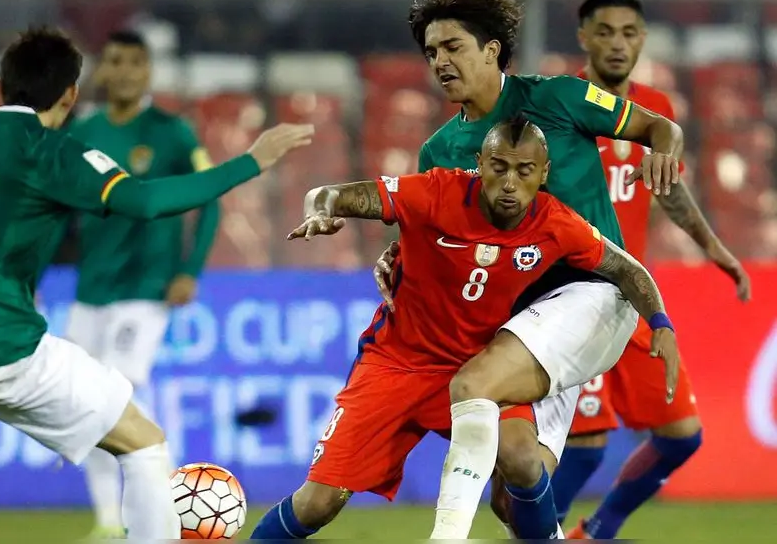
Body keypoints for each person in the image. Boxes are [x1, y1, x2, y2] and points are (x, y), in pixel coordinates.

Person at [0, 26, 314, 540]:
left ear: (3, 84)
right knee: (143, 443)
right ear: (70, 94)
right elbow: (146, 203)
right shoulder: (49, 151)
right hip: (1, 349)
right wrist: (251, 161)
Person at [250, 115, 679, 540]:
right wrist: (320, 211)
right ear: (480, 163)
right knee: (318, 503)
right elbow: (329, 195)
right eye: (499, 167)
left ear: (543, 174)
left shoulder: (555, 223)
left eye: (524, 171)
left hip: (477, 369)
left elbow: (626, 269)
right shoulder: (437, 192)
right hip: (396, 364)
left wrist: (661, 323)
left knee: (523, 460)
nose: (510, 182)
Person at [370, 0, 683, 539]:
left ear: (492, 50)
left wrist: (663, 153)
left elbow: (660, 127)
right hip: (519, 321)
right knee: (516, 480)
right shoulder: (439, 151)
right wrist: (394, 259)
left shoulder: (561, 97)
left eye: (453, 46)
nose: (441, 61)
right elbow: (430, 243)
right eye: (431, 52)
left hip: (596, 292)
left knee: (471, 387)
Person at [548, 0, 751, 540]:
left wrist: (715, 249)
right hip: (569, 295)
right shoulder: (556, 104)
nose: (618, 44)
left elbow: (671, 192)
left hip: (632, 298)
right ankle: (537, 536)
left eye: (630, 32)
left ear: (643, 39)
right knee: (585, 448)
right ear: (583, 36)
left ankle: (596, 531)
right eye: (606, 32)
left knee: (681, 435)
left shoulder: (656, 113)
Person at [64, 31, 221, 539]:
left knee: (121, 380)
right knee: (84, 399)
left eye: (136, 62)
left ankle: (168, 490)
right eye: (115, 61)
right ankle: (110, 520)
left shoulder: (173, 132)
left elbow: (212, 199)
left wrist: (189, 269)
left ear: (149, 71)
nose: (126, 71)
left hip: (148, 287)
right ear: (103, 71)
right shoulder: (83, 132)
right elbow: (56, 209)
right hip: (92, 288)